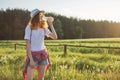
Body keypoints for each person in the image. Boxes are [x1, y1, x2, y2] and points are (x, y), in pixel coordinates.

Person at [23, 9, 58, 80]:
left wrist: (51, 24)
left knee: (41, 78)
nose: (42, 15)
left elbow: (55, 37)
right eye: (40, 14)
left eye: (42, 14)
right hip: (33, 55)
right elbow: (28, 45)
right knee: (29, 78)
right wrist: (31, 60)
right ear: (35, 17)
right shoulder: (29, 28)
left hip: (43, 54)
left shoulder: (43, 27)